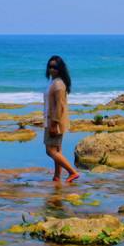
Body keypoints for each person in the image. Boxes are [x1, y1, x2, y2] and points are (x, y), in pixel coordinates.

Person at [44, 55, 79, 183]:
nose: (52, 69)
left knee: (50, 150)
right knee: (57, 149)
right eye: (50, 66)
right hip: (52, 120)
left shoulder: (58, 84)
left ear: (60, 69)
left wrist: (54, 123)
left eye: (55, 67)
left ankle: (73, 172)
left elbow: (60, 106)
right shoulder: (55, 82)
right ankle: (57, 176)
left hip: (54, 122)